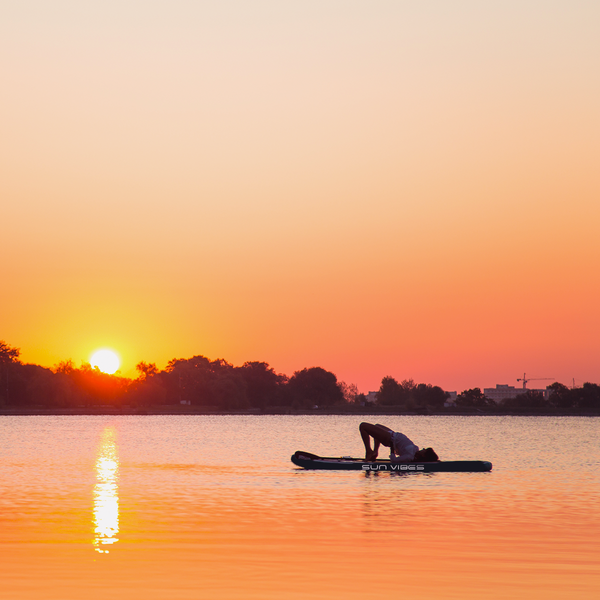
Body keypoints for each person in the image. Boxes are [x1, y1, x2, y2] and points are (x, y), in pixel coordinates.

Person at [359, 422, 439, 462]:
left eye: (425, 450)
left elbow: (394, 460)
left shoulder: (409, 456)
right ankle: (375, 452)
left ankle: (369, 452)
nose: (423, 448)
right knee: (376, 426)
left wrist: (392, 448)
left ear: (424, 455)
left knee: (363, 426)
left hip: (389, 438)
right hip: (393, 434)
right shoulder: (415, 450)